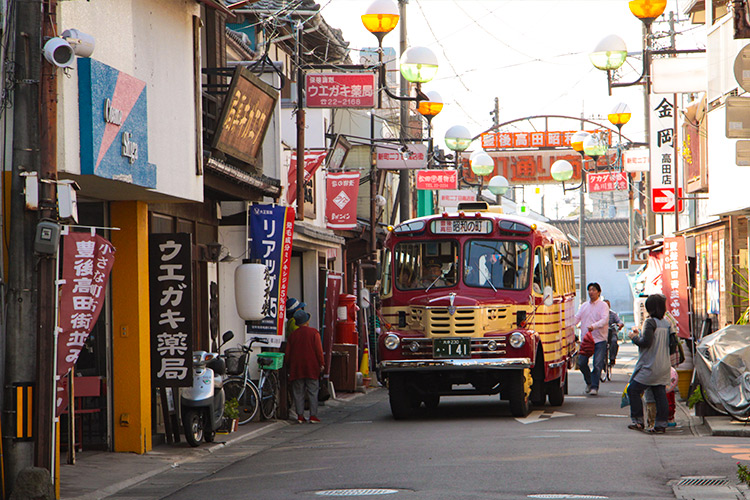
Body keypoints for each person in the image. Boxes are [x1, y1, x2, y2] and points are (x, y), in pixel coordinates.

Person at [626, 294, 671, 434]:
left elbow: (645, 342)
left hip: (650, 366)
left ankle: (638, 421)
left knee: (633, 390)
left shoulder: (650, 322)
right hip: (664, 365)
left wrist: (634, 337)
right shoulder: (667, 323)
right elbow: (673, 346)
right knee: (660, 393)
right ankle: (661, 424)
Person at [285, 308, 325, 424]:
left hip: (296, 368)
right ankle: (313, 416)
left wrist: (289, 365)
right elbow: (318, 350)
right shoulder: (314, 333)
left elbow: (287, 354)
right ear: (307, 321)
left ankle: (300, 416)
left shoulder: (293, 335)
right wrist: (321, 363)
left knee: (298, 392)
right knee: (313, 391)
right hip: (312, 367)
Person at [573, 282, 609, 396]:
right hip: (586, 339)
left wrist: (594, 326)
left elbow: (604, 320)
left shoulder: (603, 305)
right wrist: (567, 325)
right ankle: (589, 382)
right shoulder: (584, 306)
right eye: (589, 290)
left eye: (593, 290)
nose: (591, 292)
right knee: (582, 362)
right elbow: (577, 318)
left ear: (599, 292)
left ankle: (594, 387)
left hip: (599, 339)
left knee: (597, 364)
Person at [604, 299, 624, 366]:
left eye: (608, 305)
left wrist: (620, 324)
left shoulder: (613, 314)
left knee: (614, 341)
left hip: (611, 331)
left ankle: (612, 358)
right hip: (602, 333)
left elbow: (619, 321)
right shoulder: (598, 314)